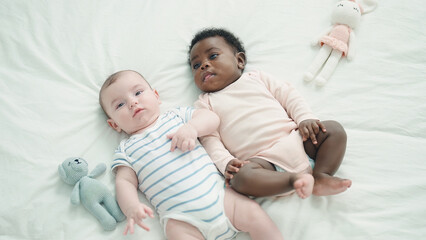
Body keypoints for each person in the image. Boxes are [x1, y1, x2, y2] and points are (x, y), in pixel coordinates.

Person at [99, 70, 283, 240]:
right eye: (120, 104)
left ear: (156, 96)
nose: (133, 102)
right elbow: (124, 182)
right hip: (182, 221)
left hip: (222, 198)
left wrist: (192, 128)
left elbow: (212, 119)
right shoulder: (126, 149)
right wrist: (131, 207)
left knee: (254, 214)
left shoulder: (176, 117)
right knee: (175, 232)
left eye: (138, 93)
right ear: (114, 125)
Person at [188, 28, 352, 199]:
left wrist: (305, 118)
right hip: (263, 162)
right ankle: (293, 180)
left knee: (333, 130)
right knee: (240, 178)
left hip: (298, 140)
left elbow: (289, 96)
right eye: (196, 65)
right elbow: (209, 139)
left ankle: (321, 176)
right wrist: (226, 162)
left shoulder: (256, 78)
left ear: (240, 60)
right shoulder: (205, 104)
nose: (204, 65)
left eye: (213, 56)